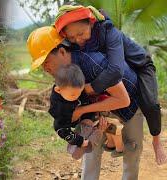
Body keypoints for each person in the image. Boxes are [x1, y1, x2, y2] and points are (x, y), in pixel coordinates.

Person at [54, 4, 166, 166]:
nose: (78, 40)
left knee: (149, 103)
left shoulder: (109, 32)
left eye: (81, 34)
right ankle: (112, 139)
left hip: (140, 66)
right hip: (119, 74)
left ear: (91, 23)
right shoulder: (76, 46)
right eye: (72, 38)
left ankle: (156, 140)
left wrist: (89, 89)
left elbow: (115, 71)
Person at [27, 26, 142, 180]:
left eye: (46, 61)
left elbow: (123, 99)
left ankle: (117, 140)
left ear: (61, 51)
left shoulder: (92, 63)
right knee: (90, 142)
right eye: (42, 65)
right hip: (101, 103)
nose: (45, 68)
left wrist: (81, 111)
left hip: (130, 102)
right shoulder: (63, 74)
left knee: (132, 151)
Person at [49, 63, 103, 160]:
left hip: (79, 109)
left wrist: (88, 111)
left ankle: (89, 127)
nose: (77, 96)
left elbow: (82, 97)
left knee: (89, 113)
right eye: (73, 95)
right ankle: (79, 143)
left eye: (80, 92)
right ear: (58, 90)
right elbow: (60, 129)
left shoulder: (75, 88)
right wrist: (79, 141)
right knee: (63, 130)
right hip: (66, 119)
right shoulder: (59, 109)